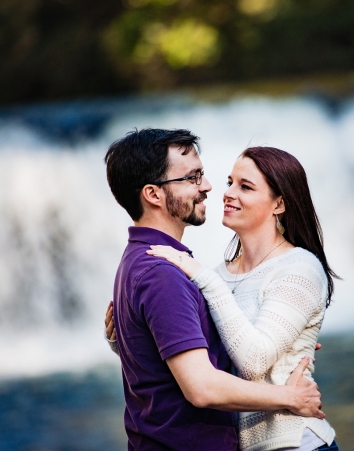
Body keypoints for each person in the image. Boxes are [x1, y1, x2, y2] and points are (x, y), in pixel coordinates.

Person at [106, 143, 340, 451]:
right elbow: (202, 359)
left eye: (245, 186)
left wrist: (205, 279)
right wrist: (126, 335)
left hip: (293, 442)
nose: (226, 192)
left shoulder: (298, 268)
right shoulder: (216, 273)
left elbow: (253, 361)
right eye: (231, 182)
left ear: (279, 204)